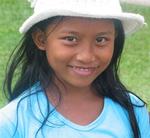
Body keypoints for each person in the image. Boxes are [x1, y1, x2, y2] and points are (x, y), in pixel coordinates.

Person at [0, 0, 149, 137]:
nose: (86, 56)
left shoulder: (132, 110)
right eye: (70, 39)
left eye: (101, 40)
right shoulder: (12, 122)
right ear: (41, 39)